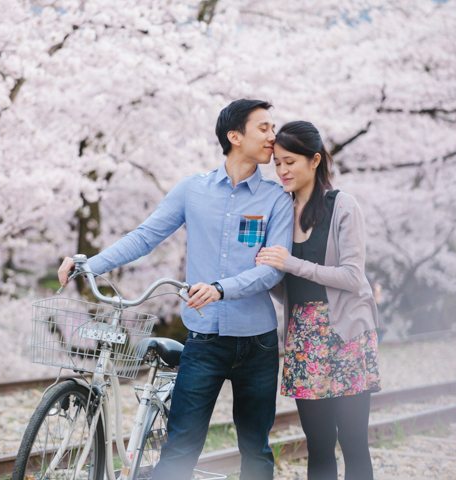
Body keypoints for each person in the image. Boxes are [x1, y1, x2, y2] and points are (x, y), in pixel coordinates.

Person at [58, 99, 293, 479]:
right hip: (204, 340)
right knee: (180, 449)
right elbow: (145, 236)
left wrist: (220, 289)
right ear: (235, 137)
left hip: (258, 343)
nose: (273, 136)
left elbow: (271, 273)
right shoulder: (192, 190)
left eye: (272, 127)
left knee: (255, 449)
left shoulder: (277, 199)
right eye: (263, 128)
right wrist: (90, 263)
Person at [256, 121, 381, 480]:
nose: (282, 171)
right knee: (319, 445)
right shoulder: (282, 210)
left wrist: (291, 262)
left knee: (354, 442)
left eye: (290, 162)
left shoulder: (342, 205)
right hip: (304, 339)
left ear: (314, 160)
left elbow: (352, 276)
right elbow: (288, 286)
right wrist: (264, 271)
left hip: (346, 336)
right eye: (277, 162)